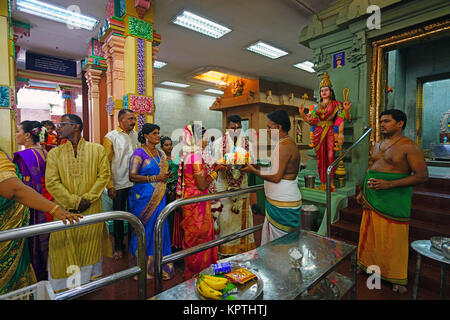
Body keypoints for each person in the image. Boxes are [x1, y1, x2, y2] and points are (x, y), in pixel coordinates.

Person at [356, 109, 428, 293]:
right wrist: (362, 189)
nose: (382, 124)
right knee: (370, 233)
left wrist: (390, 185)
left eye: (387, 121)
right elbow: (371, 167)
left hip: (394, 197)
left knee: (393, 238)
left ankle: (396, 276)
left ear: (400, 123)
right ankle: (367, 265)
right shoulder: (378, 144)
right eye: (381, 121)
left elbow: (422, 176)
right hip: (372, 194)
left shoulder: (409, 147)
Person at [45, 114, 112, 292]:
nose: (57, 128)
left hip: (91, 209)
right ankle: (63, 289)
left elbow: (104, 175)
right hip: (65, 210)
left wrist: (88, 198)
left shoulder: (97, 149)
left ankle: (88, 285)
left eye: (62, 124)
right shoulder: (54, 153)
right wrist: (74, 201)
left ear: (76, 127)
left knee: (89, 246)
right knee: (61, 246)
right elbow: (52, 182)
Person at [0, 148, 81, 295]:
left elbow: (15, 188)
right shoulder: (43, 152)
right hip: (11, 230)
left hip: (40, 203)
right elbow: (15, 189)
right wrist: (55, 208)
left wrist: (56, 208)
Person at [241, 110, 301, 245]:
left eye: (269, 127)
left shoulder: (285, 146)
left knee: (283, 246)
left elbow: (275, 176)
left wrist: (253, 171)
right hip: (277, 203)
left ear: (278, 127)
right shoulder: (283, 143)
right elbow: (274, 170)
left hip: (283, 204)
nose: (267, 130)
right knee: (274, 246)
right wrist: (256, 166)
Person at [175, 123, 227, 279]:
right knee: (199, 237)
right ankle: (199, 272)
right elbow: (202, 184)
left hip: (192, 200)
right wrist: (216, 171)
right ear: (196, 138)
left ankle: (198, 271)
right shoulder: (196, 157)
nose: (206, 139)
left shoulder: (189, 155)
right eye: (204, 137)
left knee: (195, 237)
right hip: (197, 202)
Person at [128, 123, 174, 280]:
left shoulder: (161, 154)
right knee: (145, 230)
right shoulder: (139, 153)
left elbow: (162, 173)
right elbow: (132, 176)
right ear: (146, 136)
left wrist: (166, 177)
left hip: (159, 197)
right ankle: (142, 269)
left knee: (159, 228)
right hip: (143, 199)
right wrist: (155, 178)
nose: (157, 136)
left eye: (158, 133)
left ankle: (159, 267)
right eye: (154, 133)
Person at [212, 115, 256, 256]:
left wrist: (244, 166)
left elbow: (253, 163)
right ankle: (224, 252)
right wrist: (224, 166)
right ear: (227, 128)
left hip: (242, 187)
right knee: (224, 221)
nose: (236, 131)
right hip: (224, 188)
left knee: (242, 220)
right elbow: (214, 164)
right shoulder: (218, 143)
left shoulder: (248, 143)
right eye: (233, 128)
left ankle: (243, 252)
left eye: (238, 128)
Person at [299, 72, 351, 191]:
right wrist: (302, 114)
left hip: (331, 131)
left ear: (331, 92)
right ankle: (323, 183)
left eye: (326, 90)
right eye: (322, 90)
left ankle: (331, 183)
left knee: (330, 156)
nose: (324, 92)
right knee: (320, 159)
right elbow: (311, 121)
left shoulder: (336, 104)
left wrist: (346, 112)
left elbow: (343, 118)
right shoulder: (315, 107)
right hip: (318, 131)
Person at [13, 121, 51, 281]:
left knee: (34, 239)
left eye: (18, 131)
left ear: (28, 135)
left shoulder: (24, 156)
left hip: (34, 200)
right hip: (48, 199)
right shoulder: (44, 151)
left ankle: (37, 276)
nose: (16, 135)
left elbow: (21, 186)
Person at [103, 109, 139, 260]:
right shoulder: (111, 137)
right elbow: (105, 163)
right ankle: (118, 246)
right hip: (119, 184)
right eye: (130, 119)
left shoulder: (135, 135)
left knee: (134, 215)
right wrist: (110, 185)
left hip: (135, 183)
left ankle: (132, 244)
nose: (133, 122)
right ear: (121, 120)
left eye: (134, 119)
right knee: (119, 217)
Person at [160, 136, 180, 250]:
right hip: (167, 190)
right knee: (169, 216)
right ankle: (169, 242)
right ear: (162, 147)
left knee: (177, 214)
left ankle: (177, 240)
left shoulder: (175, 156)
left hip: (178, 188)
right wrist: (170, 189)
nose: (169, 147)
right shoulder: (161, 159)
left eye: (170, 144)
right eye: (166, 145)